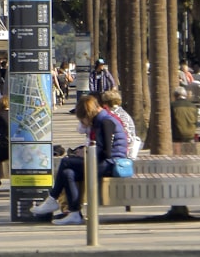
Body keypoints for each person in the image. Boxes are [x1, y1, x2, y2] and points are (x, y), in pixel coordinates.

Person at [30, 94, 128, 225]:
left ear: (87, 115)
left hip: (111, 164)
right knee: (67, 173)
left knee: (66, 161)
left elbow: (107, 152)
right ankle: (74, 212)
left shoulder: (105, 122)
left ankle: (53, 199)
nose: (83, 123)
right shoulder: (101, 120)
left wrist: (85, 153)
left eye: (82, 120)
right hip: (104, 162)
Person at [101, 89, 139, 156]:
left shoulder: (112, 115)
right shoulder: (122, 113)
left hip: (121, 150)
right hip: (129, 148)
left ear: (105, 103)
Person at [171, 86, 199, 150]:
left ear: (175, 96)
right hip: (191, 134)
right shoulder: (193, 106)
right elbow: (196, 123)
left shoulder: (172, 106)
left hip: (177, 135)